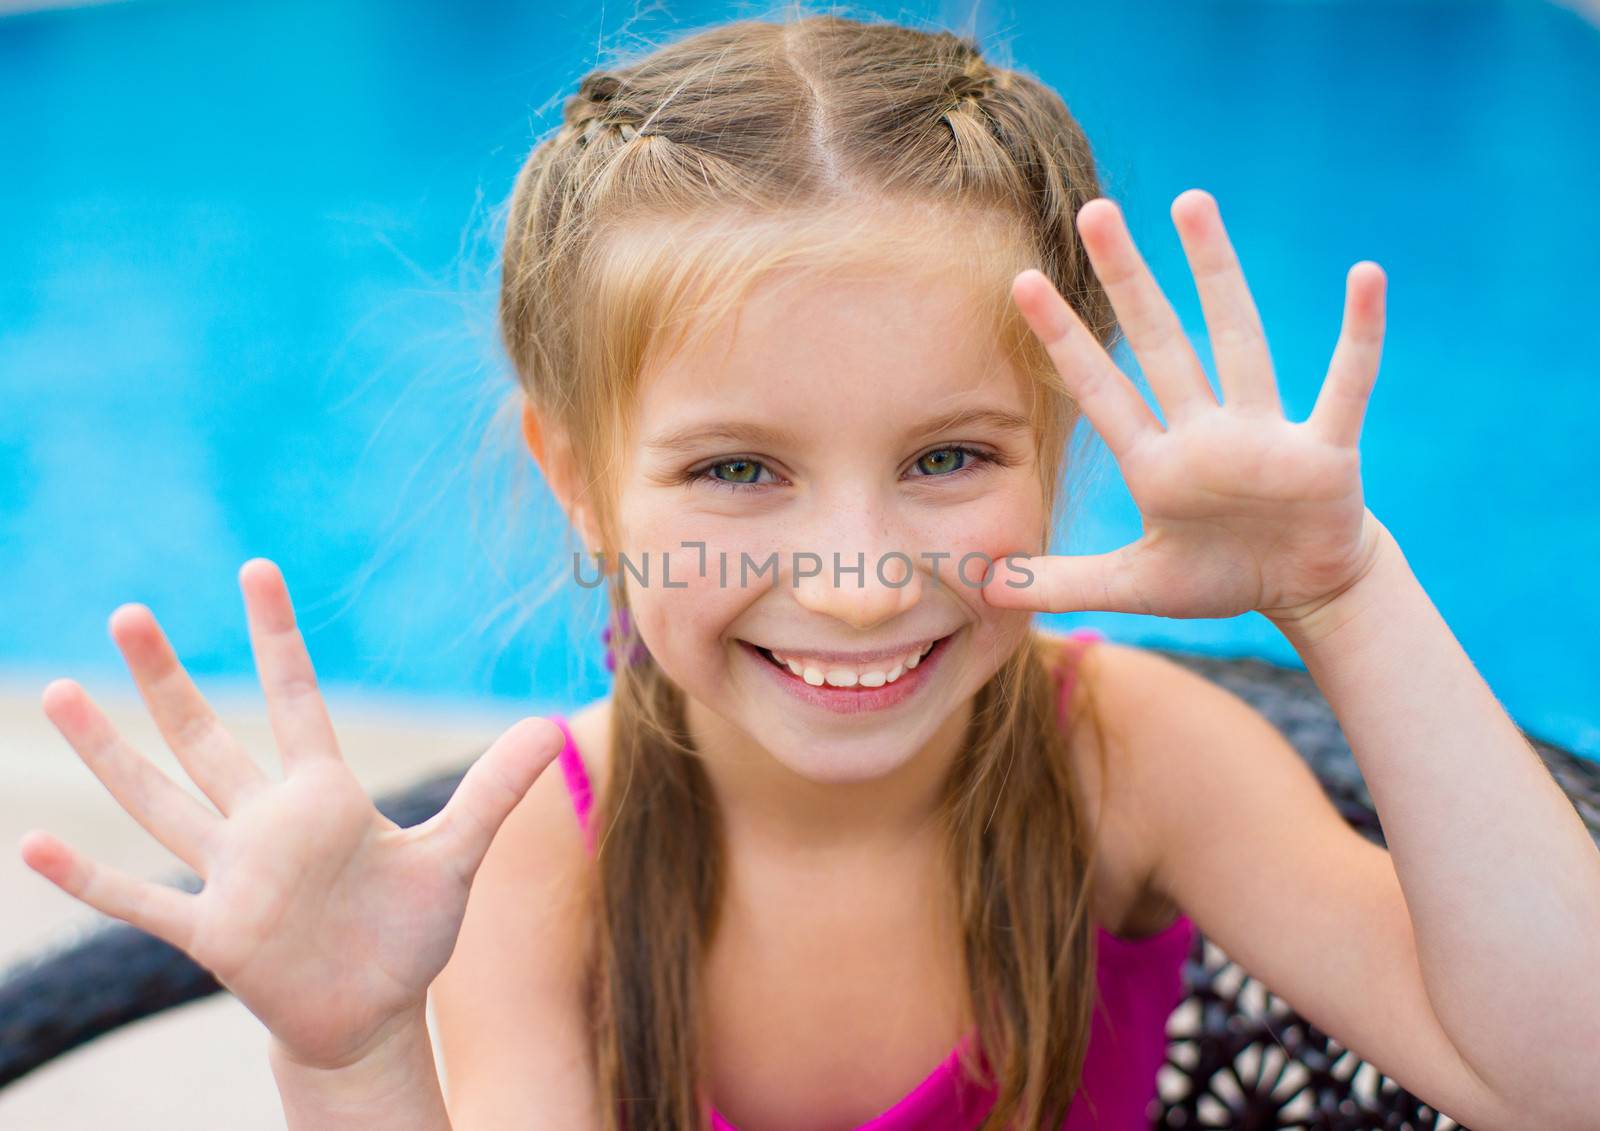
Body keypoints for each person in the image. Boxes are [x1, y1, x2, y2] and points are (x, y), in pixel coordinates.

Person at [17, 13, 1600, 1131]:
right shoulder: (542, 867)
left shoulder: (1131, 759)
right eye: (739, 471)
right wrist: (353, 1057)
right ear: (578, 477)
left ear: (1061, 453)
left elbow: (1560, 1077)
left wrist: (1343, 592)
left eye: (950, 459)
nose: (855, 581)